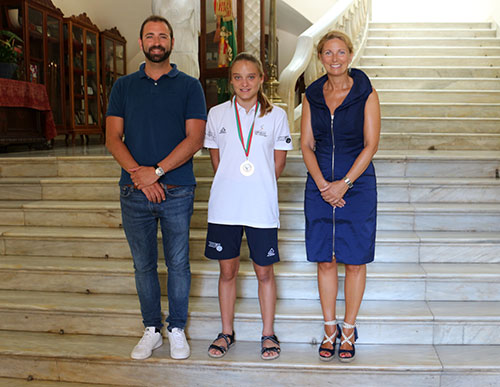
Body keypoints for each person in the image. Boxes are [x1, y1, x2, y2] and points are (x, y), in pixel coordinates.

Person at [105, 15, 207, 361]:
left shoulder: (190, 86)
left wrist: (158, 172)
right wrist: (140, 175)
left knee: (178, 263)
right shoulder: (123, 87)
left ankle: (176, 328)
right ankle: (152, 329)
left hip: (177, 189)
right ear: (141, 44)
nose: (156, 41)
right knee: (143, 265)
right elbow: (112, 137)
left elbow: (195, 139)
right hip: (134, 191)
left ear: (172, 43)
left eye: (163, 35)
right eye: (150, 36)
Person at [203, 52, 293, 360]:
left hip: (261, 207)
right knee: (227, 272)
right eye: (238, 77)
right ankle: (226, 331)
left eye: (251, 76)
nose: (245, 83)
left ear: (262, 79)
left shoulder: (277, 116)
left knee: (264, 272)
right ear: (230, 82)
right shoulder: (216, 114)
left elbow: (277, 166)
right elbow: (218, 162)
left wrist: (255, 184)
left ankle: (268, 333)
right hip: (225, 207)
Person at [301, 30, 380, 362]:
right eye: (328, 53)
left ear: (350, 55)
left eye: (341, 52)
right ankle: (329, 328)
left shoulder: (366, 92)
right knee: (325, 259)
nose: (335, 58)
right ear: (320, 57)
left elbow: (371, 144)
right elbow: (306, 144)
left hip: (357, 184)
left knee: (356, 261)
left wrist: (344, 183)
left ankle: (349, 329)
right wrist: (323, 185)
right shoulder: (311, 94)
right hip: (319, 185)